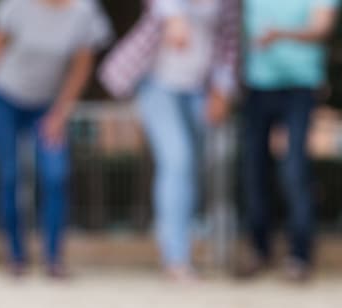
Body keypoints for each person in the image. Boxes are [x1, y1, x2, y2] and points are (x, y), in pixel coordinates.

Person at [100, 0, 239, 282]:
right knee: (177, 159)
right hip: (157, 84)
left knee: (197, 165)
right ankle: (175, 259)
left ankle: (184, 241)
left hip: (199, 87)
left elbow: (229, 41)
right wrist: (174, 15)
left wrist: (223, 87)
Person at [0, 0, 112, 278]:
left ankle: (53, 258)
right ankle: (16, 256)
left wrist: (60, 113)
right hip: (4, 99)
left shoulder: (85, 12)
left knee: (55, 175)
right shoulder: (15, 5)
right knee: (10, 176)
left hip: (47, 105)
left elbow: (81, 67)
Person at [239, 0, 340, 281]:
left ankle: (300, 255)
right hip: (257, 86)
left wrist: (280, 35)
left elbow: (323, 28)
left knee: (294, 169)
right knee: (253, 170)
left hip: (300, 85)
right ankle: (259, 249)